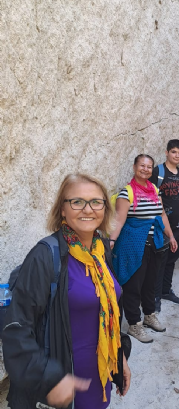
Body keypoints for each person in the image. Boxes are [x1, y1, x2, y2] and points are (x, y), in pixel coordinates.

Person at [2, 173, 131, 409]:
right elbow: (15, 328)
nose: (88, 209)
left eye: (96, 202)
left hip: (99, 377)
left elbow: (107, 310)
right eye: (77, 201)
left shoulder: (101, 249)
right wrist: (48, 379)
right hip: (62, 385)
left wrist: (120, 355)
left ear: (104, 207)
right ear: (62, 209)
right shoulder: (45, 256)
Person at [110, 154, 177, 344]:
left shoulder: (155, 190)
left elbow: (162, 215)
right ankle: (134, 325)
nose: (145, 169)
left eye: (149, 167)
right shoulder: (127, 192)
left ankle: (149, 315)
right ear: (134, 167)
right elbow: (119, 219)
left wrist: (170, 236)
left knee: (150, 283)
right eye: (142, 166)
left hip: (154, 245)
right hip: (133, 245)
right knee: (133, 285)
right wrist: (112, 240)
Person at [149, 140, 179, 313]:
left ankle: (166, 290)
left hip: (178, 225)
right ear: (166, 153)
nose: (177, 156)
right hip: (160, 226)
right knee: (158, 262)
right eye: (174, 152)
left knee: (172, 260)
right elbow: (152, 199)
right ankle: (155, 297)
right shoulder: (158, 172)